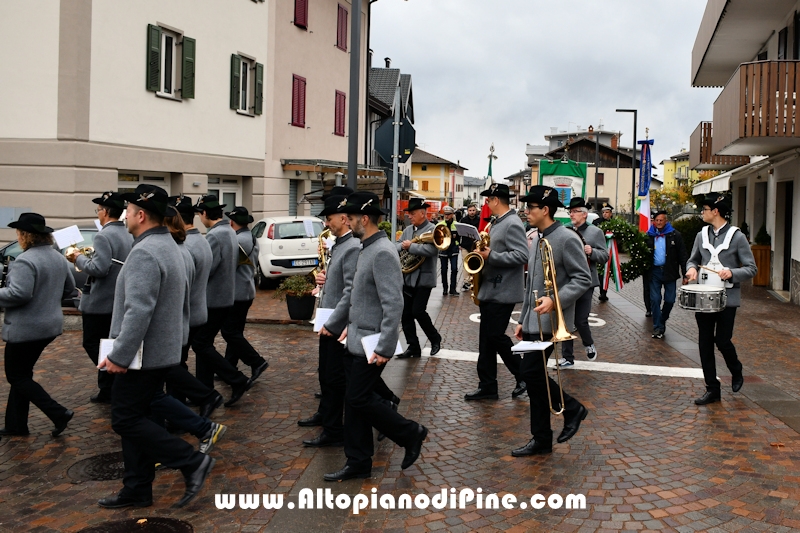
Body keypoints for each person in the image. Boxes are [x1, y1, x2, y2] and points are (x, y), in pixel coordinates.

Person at [97, 185, 213, 509]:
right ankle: (137, 487)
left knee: (124, 418)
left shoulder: (146, 252)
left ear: (141, 214)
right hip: (159, 352)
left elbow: (139, 310)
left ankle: (191, 461)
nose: (125, 216)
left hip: (141, 355)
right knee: (140, 415)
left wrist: (119, 356)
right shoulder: (170, 245)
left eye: (128, 211)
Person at [321, 191, 428, 481]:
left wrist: (385, 345)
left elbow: (394, 303)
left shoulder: (381, 251)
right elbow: (352, 295)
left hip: (372, 343)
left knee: (357, 398)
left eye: (352, 217)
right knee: (354, 401)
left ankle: (410, 433)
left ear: (364, 219)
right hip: (355, 339)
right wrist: (334, 324)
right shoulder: (365, 247)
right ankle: (358, 461)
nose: (348, 221)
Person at [511, 186, 592, 457]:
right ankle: (542, 438)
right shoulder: (537, 236)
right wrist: (523, 319)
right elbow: (531, 285)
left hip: (551, 321)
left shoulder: (567, 238)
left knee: (531, 375)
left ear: (545, 209)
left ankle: (571, 409)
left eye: (531, 207)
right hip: (534, 322)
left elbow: (583, 279)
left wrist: (554, 301)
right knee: (534, 380)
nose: (526, 212)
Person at [0, 213, 75, 438]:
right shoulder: (58, 257)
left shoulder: (25, 260)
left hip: (27, 328)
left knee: (17, 377)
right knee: (22, 375)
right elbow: (69, 290)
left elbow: (18, 294)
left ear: (26, 235)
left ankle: (58, 412)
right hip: (49, 325)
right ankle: (16, 425)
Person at [685, 194, 757, 405]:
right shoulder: (701, 235)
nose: (702, 213)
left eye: (705, 209)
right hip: (704, 298)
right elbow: (693, 259)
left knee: (722, 340)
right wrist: (691, 269)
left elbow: (751, 268)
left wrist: (732, 273)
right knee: (705, 343)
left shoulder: (737, 237)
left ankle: (736, 370)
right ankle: (712, 389)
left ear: (715, 211)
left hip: (727, 298)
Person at [299, 193, 357, 447]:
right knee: (326, 375)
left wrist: (334, 324)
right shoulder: (341, 244)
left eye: (329, 218)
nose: (327, 223)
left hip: (336, 323)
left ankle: (334, 430)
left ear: (344, 218)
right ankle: (326, 416)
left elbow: (350, 290)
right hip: (329, 318)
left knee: (334, 378)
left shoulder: (351, 246)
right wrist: (324, 278)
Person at [67, 192, 132, 403]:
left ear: (105, 212)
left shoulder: (104, 235)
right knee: (108, 342)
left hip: (101, 300)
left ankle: (112, 379)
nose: (99, 213)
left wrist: (78, 258)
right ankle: (107, 388)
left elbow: (99, 268)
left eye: (99, 210)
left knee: (92, 343)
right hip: (118, 298)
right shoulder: (128, 233)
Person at [464, 183, 527, 401]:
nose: (486, 204)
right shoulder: (496, 222)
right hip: (491, 288)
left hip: (504, 290)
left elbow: (521, 256)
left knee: (495, 336)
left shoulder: (512, 223)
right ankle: (488, 385)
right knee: (486, 340)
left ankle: (523, 375)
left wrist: (492, 256)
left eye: (488, 200)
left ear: (496, 200)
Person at [166, 195, 224, 419]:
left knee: (175, 365)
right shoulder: (199, 239)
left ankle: (187, 407)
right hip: (199, 308)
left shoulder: (187, 245)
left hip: (189, 312)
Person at [192, 195, 252, 406]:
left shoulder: (215, 235)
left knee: (200, 344)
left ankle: (236, 379)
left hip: (214, 299)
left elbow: (208, 269)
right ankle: (204, 390)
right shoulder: (228, 231)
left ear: (205, 214)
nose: (199, 218)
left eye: (200, 214)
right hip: (225, 297)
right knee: (204, 344)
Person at [558, 198, 608, 367]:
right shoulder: (565, 230)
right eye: (570, 211)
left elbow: (604, 256)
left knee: (580, 320)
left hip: (586, 281)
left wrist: (592, 251)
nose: (571, 214)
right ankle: (567, 357)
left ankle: (588, 343)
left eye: (574, 211)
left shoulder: (595, 232)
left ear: (584, 214)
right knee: (567, 321)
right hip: (568, 281)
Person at [221, 206, 269, 382]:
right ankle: (229, 366)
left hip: (237, 292)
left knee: (229, 332)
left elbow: (228, 266)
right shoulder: (251, 237)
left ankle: (256, 361)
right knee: (235, 332)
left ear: (232, 222)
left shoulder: (238, 240)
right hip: (247, 288)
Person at [396, 198, 442, 358]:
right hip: (407, 278)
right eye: (409, 213)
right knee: (406, 314)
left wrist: (412, 246)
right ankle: (413, 346)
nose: (409, 216)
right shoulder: (408, 230)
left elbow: (432, 251)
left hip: (423, 279)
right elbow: (397, 245)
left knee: (418, 311)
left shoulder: (433, 229)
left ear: (423, 213)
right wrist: (402, 245)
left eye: (412, 213)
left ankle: (435, 338)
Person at [646, 210, 687, 339]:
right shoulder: (648, 236)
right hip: (655, 272)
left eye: (661, 220)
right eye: (656, 220)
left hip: (670, 272)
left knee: (670, 299)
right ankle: (657, 327)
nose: (658, 223)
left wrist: (685, 274)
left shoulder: (675, 235)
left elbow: (683, 255)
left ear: (666, 221)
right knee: (655, 299)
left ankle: (662, 319)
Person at [437, 206, 461, 296]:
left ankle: (453, 289)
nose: (446, 216)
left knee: (454, 269)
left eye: (448, 214)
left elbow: (460, 236)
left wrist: (459, 244)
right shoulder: (440, 224)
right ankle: (445, 288)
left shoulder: (457, 224)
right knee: (443, 270)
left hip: (454, 248)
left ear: (452, 215)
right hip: (444, 249)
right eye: (445, 214)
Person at [594, 203, 613, 302]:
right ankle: (600, 291)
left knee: (606, 273)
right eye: (603, 212)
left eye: (607, 212)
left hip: (610, 251)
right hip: (598, 250)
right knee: (599, 272)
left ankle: (603, 292)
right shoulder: (596, 222)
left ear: (611, 214)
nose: (605, 214)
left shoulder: (615, 223)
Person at [459, 204, 481, 291]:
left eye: (473, 210)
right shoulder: (463, 220)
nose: (472, 212)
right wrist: (459, 244)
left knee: (475, 264)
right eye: (470, 210)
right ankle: (466, 281)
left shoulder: (479, 220)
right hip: (465, 244)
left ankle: (475, 281)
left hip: (476, 245)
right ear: (467, 211)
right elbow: (459, 232)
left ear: (476, 211)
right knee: (466, 263)